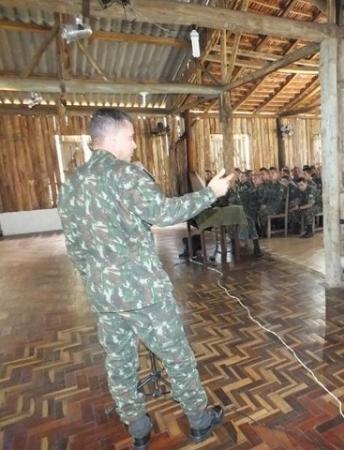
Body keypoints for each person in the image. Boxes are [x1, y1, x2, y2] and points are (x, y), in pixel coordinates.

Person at [57, 109, 232, 449]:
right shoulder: (126, 175)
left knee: (119, 362)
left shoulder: (72, 185)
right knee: (176, 355)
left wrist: (96, 280)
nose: (135, 145)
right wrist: (211, 193)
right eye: (131, 137)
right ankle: (198, 420)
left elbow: (75, 247)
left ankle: (137, 429)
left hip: (104, 296)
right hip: (144, 293)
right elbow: (163, 213)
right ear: (112, 138)